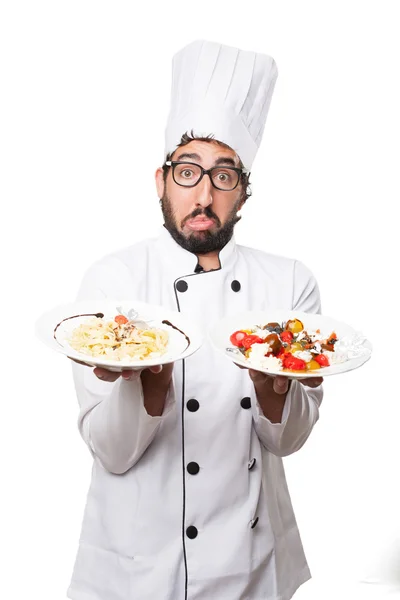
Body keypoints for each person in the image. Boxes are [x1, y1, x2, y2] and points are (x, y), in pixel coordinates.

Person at [67, 40, 324, 600]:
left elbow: (291, 441)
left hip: (252, 564)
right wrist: (150, 384)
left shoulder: (289, 286)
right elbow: (110, 451)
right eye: (187, 172)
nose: (204, 194)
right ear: (160, 182)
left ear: (243, 194)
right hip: (135, 569)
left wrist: (273, 389)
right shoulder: (113, 282)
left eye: (224, 176)